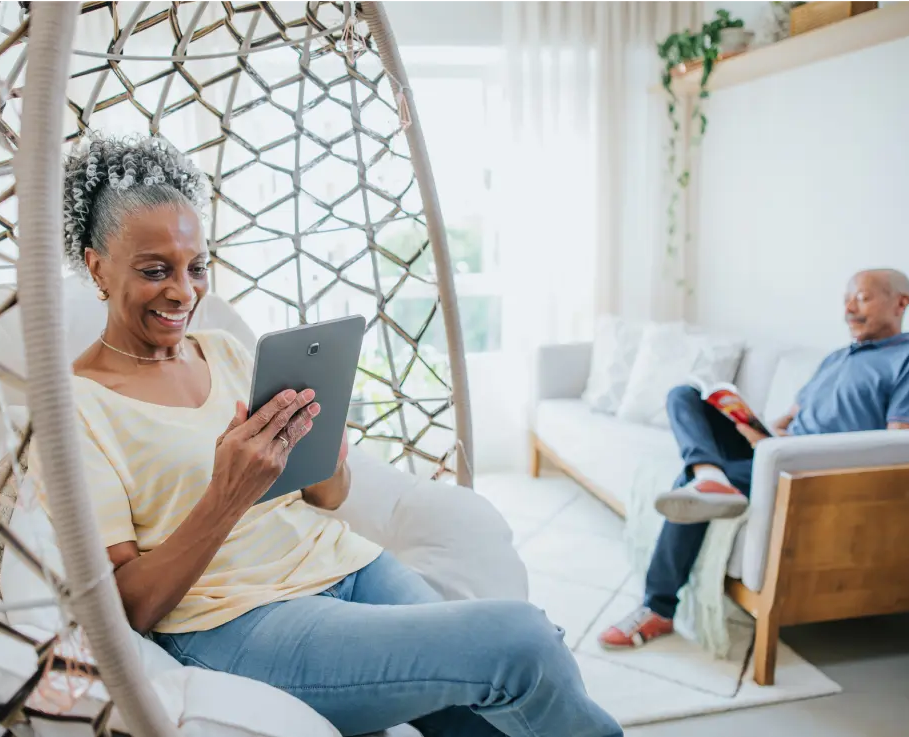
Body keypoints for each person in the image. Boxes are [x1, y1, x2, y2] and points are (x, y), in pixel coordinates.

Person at [39, 134, 621, 737]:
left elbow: (326, 497)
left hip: (349, 566)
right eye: (155, 270)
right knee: (523, 641)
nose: (184, 292)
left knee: (482, 718)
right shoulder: (73, 410)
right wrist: (228, 494)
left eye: (196, 267)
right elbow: (127, 608)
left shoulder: (225, 351)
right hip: (236, 621)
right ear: (96, 265)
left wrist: (324, 452)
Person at [599, 269, 909, 649]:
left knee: (685, 483)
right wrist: (755, 427)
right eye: (846, 299)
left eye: (861, 298)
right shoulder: (837, 359)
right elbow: (788, 420)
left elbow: (900, 447)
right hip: (774, 452)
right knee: (685, 395)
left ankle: (658, 608)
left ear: (901, 302)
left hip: (808, 470)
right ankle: (709, 473)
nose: (848, 308)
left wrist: (791, 448)